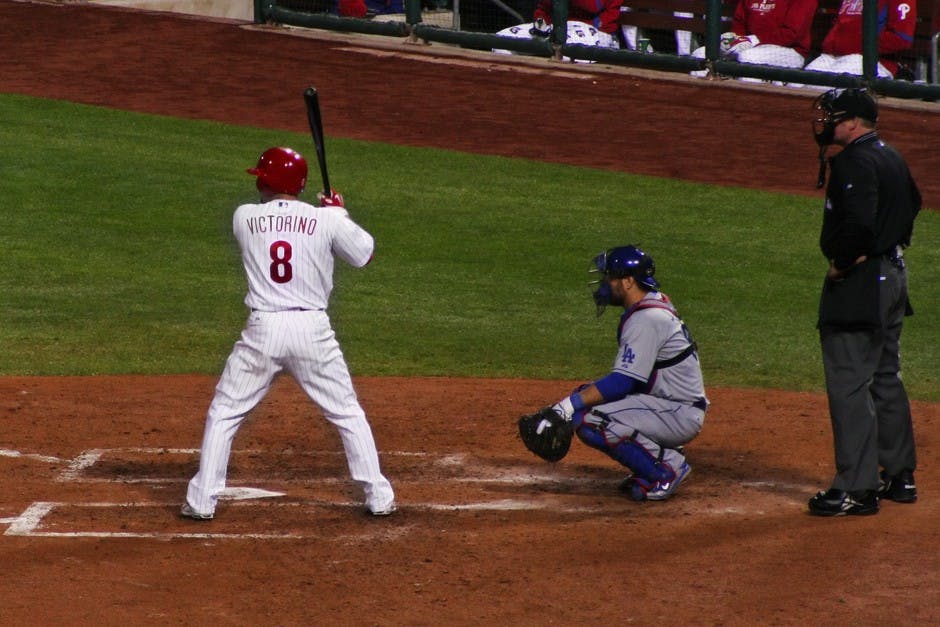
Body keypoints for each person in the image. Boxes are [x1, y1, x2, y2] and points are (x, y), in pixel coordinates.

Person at [181, 146, 396, 520]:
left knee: (225, 412)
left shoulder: (243, 217)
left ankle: (201, 502)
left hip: (262, 331)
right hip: (313, 331)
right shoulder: (326, 220)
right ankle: (378, 496)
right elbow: (365, 254)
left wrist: (328, 217)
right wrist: (338, 214)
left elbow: (280, 224)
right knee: (346, 412)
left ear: (267, 181)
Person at [807, 88, 921, 517]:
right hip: (893, 276)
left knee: (850, 381)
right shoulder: (890, 155)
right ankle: (899, 476)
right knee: (885, 375)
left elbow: (857, 222)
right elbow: (914, 203)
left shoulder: (855, 161)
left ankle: (856, 488)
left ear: (853, 122)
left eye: (833, 116)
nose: (827, 122)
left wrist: (842, 262)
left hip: (863, 281)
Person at [548, 245, 707, 501]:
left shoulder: (647, 319)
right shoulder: (651, 305)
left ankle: (666, 468)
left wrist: (565, 406)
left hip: (677, 412)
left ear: (628, 281)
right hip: (667, 404)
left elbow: (624, 382)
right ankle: (651, 457)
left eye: (609, 277)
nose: (604, 283)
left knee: (591, 419)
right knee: (586, 399)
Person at [691, 0, 818, 73]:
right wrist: (736, 39)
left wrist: (755, 40)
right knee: (701, 54)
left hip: (791, 51)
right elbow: (739, 23)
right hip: (751, 46)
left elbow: (792, 34)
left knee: (748, 57)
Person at [803, 0, 917, 79]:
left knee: (823, 88)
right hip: (833, 56)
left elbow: (901, 39)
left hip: (872, 62)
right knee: (796, 86)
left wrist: (858, 46)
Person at [493, 0, 624, 60]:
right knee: (500, 40)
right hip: (555, 28)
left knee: (568, 52)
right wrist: (540, 24)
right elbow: (543, 8)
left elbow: (593, 5)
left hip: (598, 33)